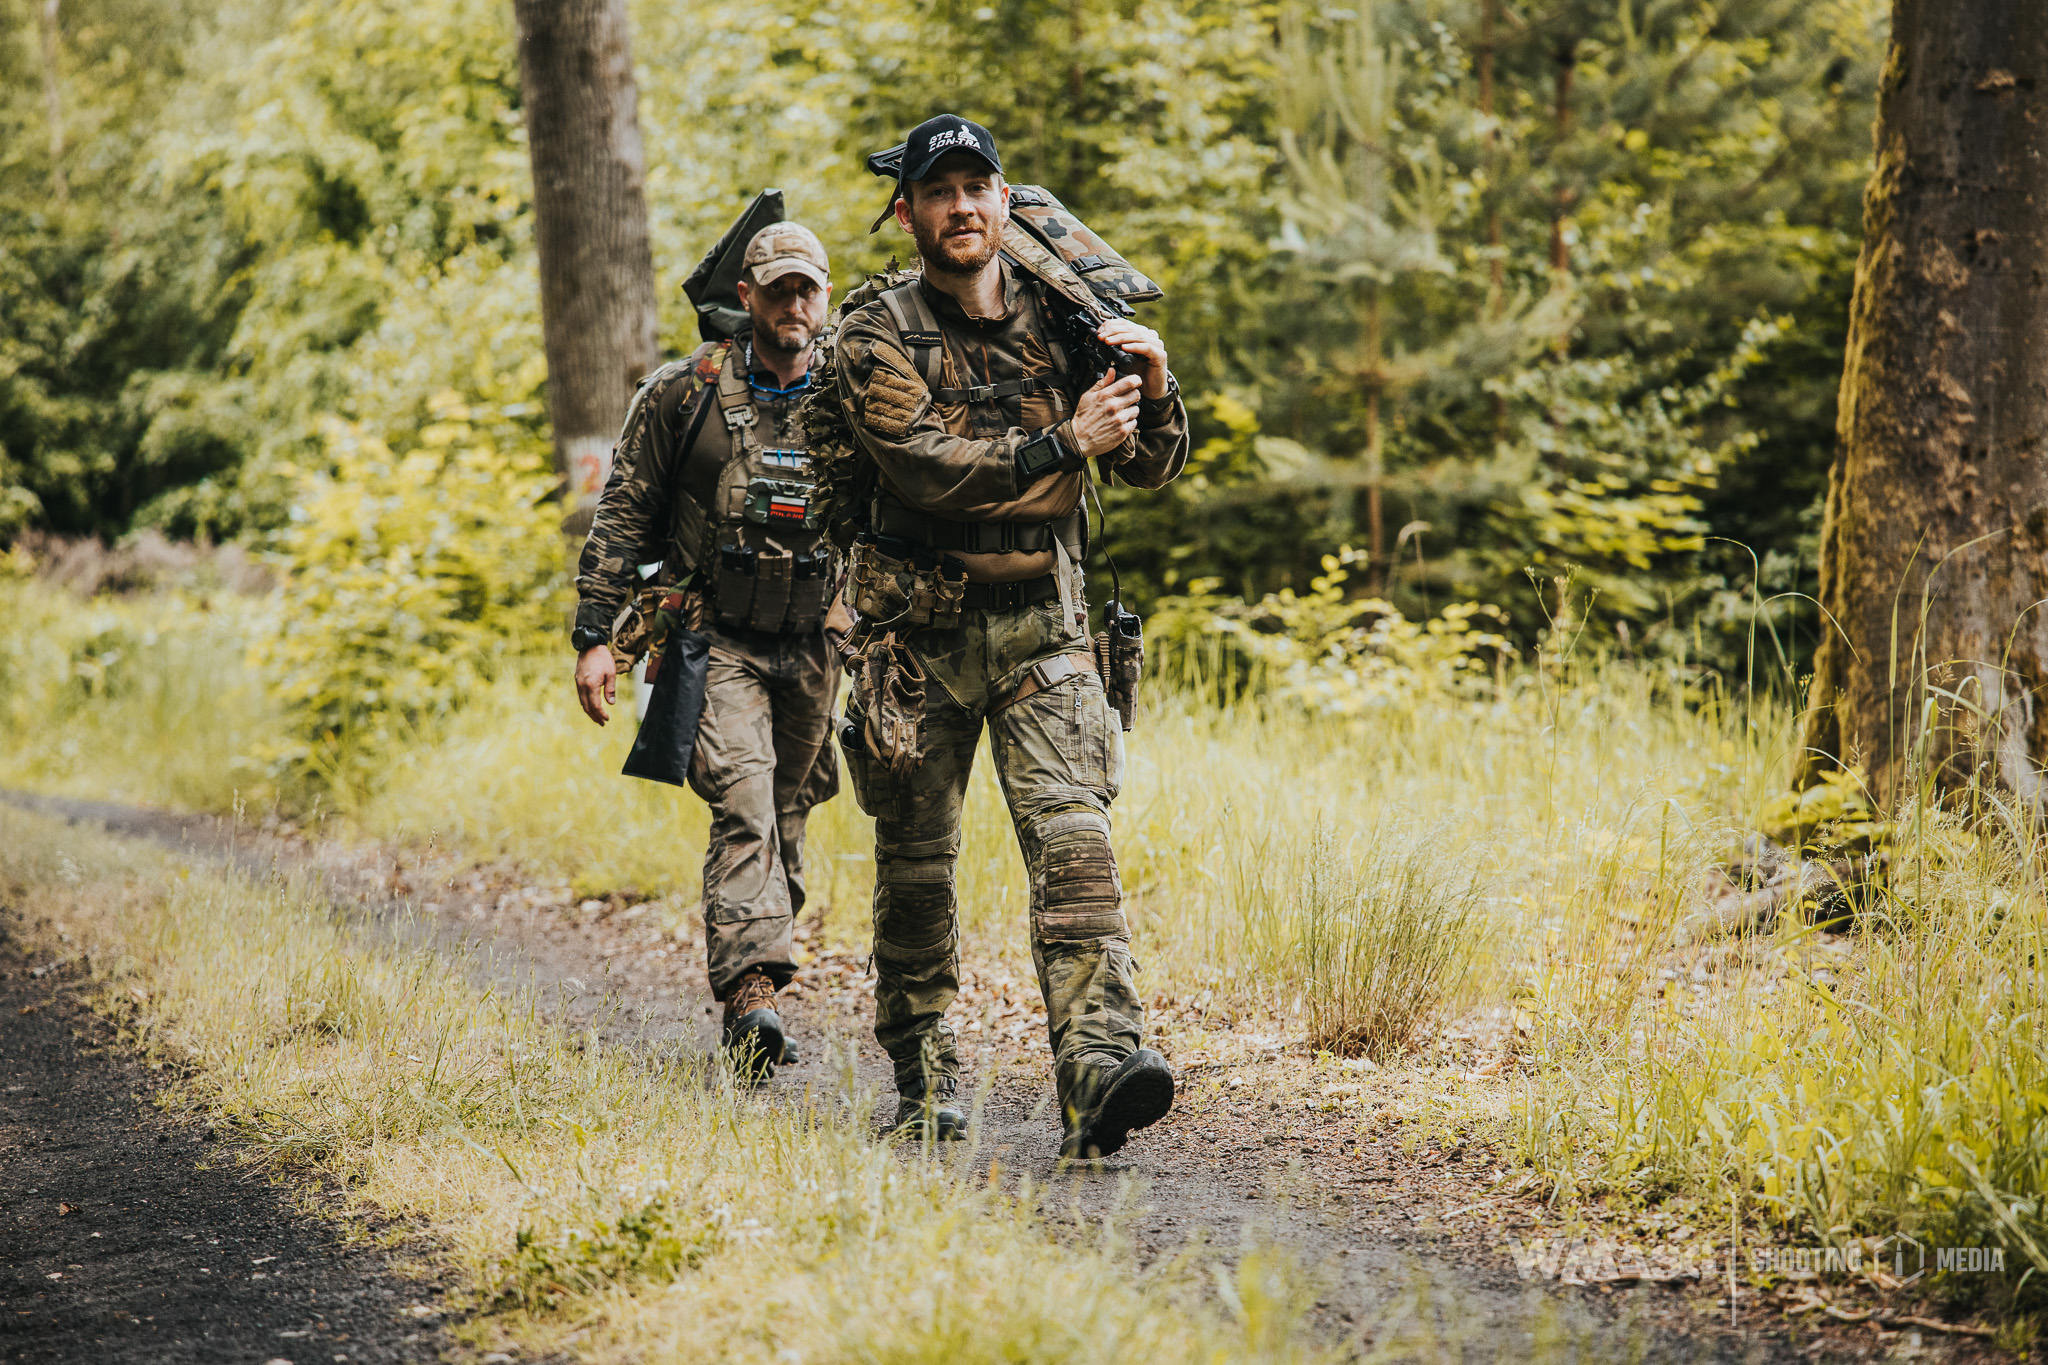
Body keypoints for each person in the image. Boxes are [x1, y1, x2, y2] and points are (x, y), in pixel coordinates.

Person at [833, 115, 1189, 1157]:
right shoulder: (873, 334)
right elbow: (924, 466)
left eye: (976, 187)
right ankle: (925, 1070)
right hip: (914, 631)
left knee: (1073, 838)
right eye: (938, 191)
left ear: (1002, 198)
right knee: (915, 867)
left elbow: (1148, 467)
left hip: (1043, 621)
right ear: (907, 211)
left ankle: (1099, 1065)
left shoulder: (1066, 315)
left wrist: (1153, 385)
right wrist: (1059, 441)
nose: (961, 207)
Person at [571, 221, 843, 1077]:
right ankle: (749, 995)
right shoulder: (681, 394)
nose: (795, 304)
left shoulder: (856, 387)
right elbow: (622, 512)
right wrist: (595, 636)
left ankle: (761, 968)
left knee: (788, 811)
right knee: (744, 796)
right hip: (713, 638)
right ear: (747, 297)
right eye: (779, 288)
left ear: (824, 296)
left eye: (809, 288)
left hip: (816, 644)